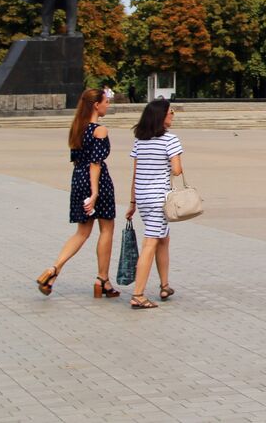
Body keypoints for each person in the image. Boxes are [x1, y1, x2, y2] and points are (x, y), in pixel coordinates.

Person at [35, 87, 119, 298]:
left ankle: (54, 270)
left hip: (78, 179)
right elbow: (95, 164)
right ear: (96, 105)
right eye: (105, 102)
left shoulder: (77, 128)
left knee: (82, 232)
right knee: (106, 229)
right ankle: (102, 279)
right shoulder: (99, 130)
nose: (107, 105)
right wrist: (95, 192)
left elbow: (76, 160)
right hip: (96, 182)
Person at [126, 98, 184, 310]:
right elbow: (177, 170)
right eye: (170, 112)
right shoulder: (171, 140)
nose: (173, 115)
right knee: (150, 243)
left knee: (163, 239)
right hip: (160, 199)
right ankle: (138, 294)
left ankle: (164, 285)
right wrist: (172, 163)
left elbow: (135, 173)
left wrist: (132, 202)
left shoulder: (140, 140)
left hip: (142, 198)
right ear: (161, 116)